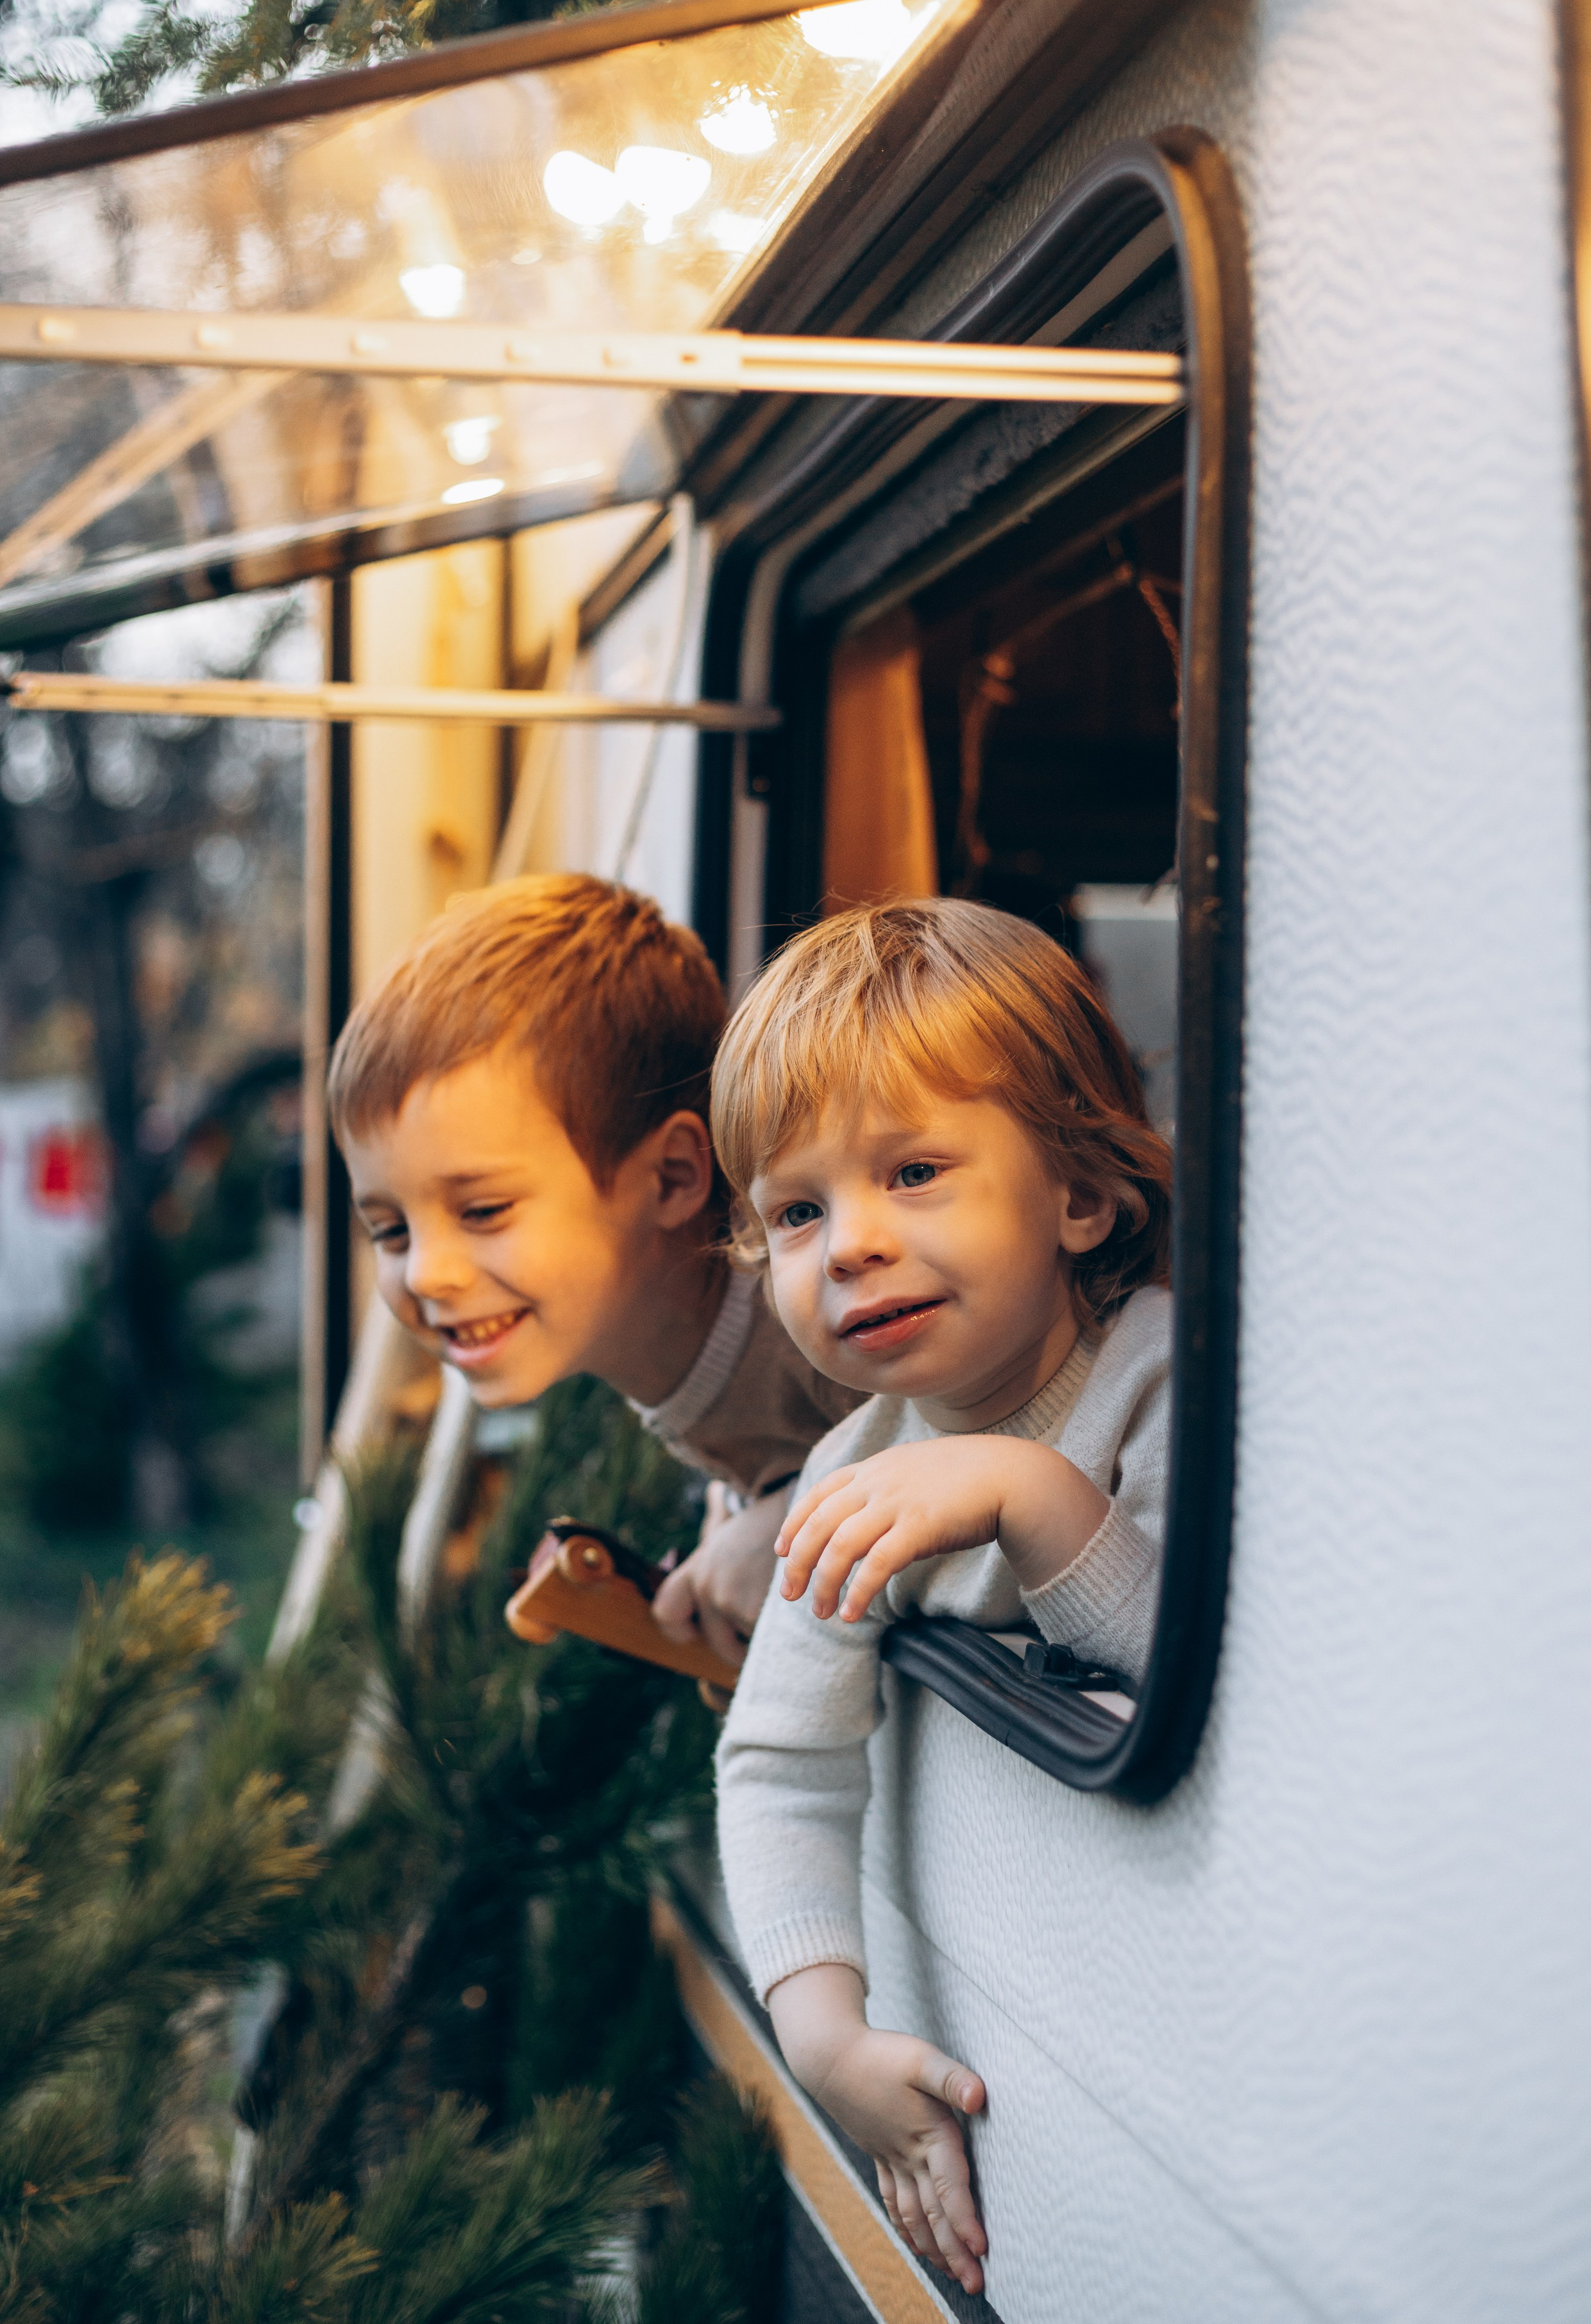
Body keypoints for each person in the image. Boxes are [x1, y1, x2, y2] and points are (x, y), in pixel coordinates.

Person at [711, 898, 1174, 2296]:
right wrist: (824, 2037)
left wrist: (1030, 1499)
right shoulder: (853, 1466)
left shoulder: (1167, 1374)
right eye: (796, 1209)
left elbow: (1203, 1677)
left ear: (1078, 1197)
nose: (846, 1242)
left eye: (912, 1172)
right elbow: (780, 1762)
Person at [328, 873, 855, 1661]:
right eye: (390, 1229)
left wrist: (790, 1527)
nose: (427, 1274)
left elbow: (996, 1455)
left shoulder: (818, 1312)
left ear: (672, 1178)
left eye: (483, 1212)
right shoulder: (675, 1348)